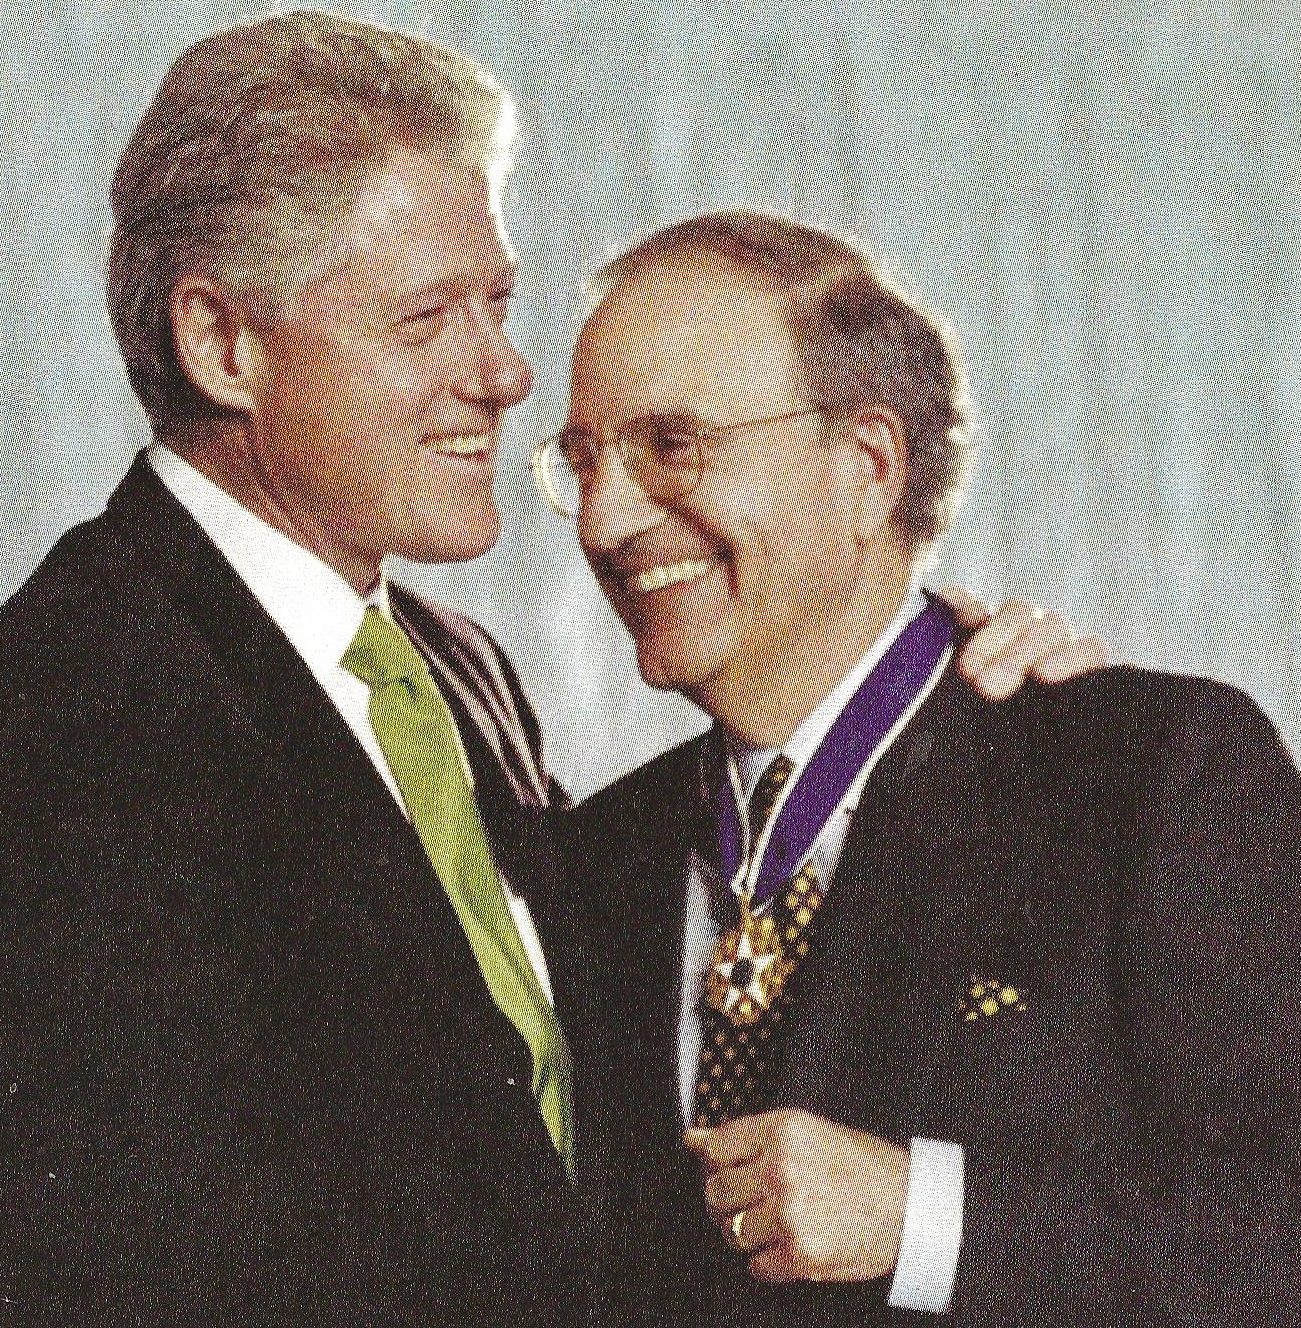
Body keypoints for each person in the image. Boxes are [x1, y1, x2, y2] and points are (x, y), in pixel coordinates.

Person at [0, 12, 1096, 1324]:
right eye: (425, 318)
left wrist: (933, 699)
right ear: (222, 345)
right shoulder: (61, 710)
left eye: (499, 303)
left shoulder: (452, 672)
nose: (507, 373)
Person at [548, 212, 1301, 1326]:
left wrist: (926, 1220)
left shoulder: (1147, 770)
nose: (604, 519)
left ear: (866, 467)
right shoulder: (590, 861)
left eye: (671, 445)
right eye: (581, 462)